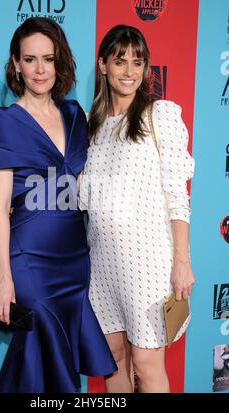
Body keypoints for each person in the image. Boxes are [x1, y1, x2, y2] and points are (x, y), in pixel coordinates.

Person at [0, 17, 117, 393]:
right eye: (30, 59)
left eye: (48, 59)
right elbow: (0, 211)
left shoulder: (74, 115)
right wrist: (4, 280)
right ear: (16, 64)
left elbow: (85, 188)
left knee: (58, 361)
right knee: (43, 346)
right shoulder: (7, 123)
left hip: (74, 258)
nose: (40, 70)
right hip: (30, 260)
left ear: (60, 62)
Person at [79, 25, 195, 393]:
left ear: (146, 69)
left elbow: (178, 193)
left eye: (137, 62)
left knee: (146, 367)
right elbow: (85, 199)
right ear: (103, 66)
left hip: (149, 265)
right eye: (120, 61)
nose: (129, 71)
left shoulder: (158, 115)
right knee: (113, 363)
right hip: (102, 266)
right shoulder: (90, 126)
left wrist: (182, 261)